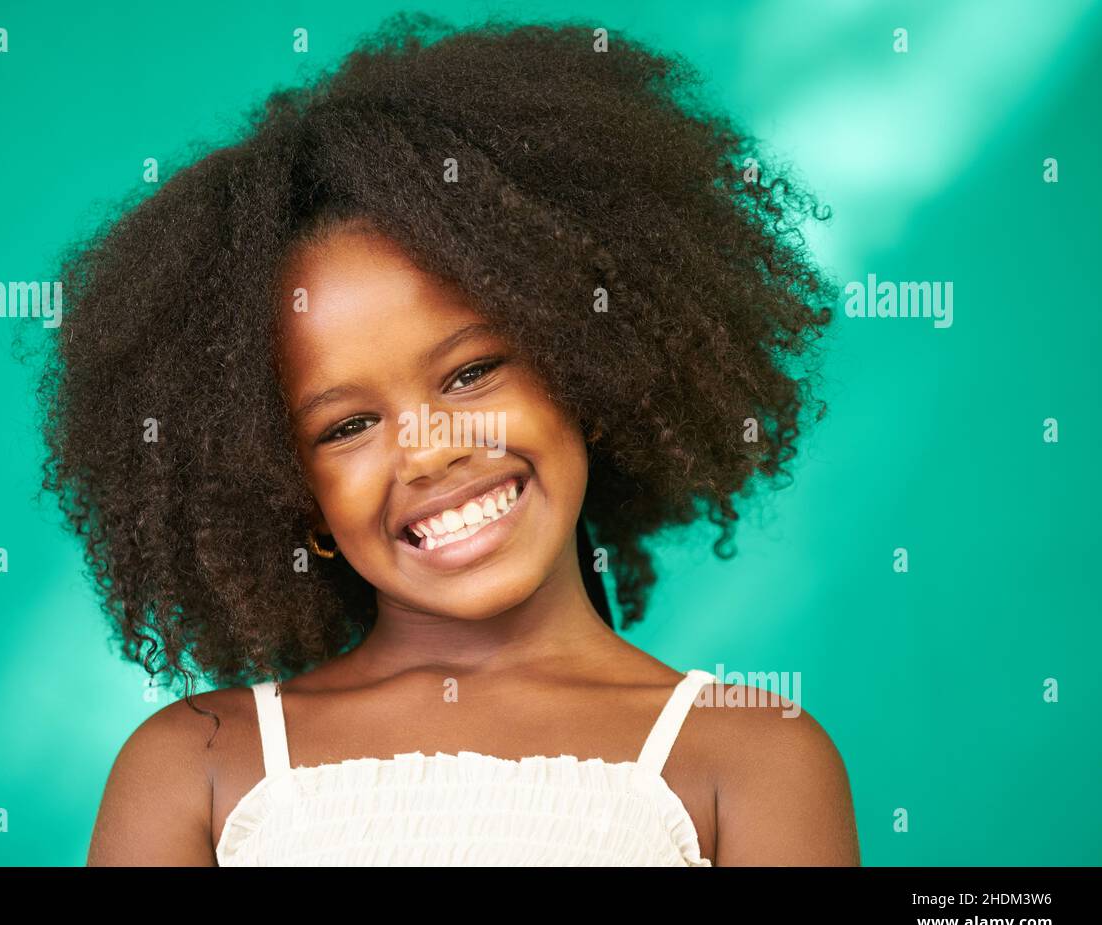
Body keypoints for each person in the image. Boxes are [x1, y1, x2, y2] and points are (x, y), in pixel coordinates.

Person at [42, 13, 858, 865]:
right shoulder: (196, 769)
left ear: (587, 371)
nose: (430, 450)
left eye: (470, 374)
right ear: (294, 496)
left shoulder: (753, 758)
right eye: (348, 426)